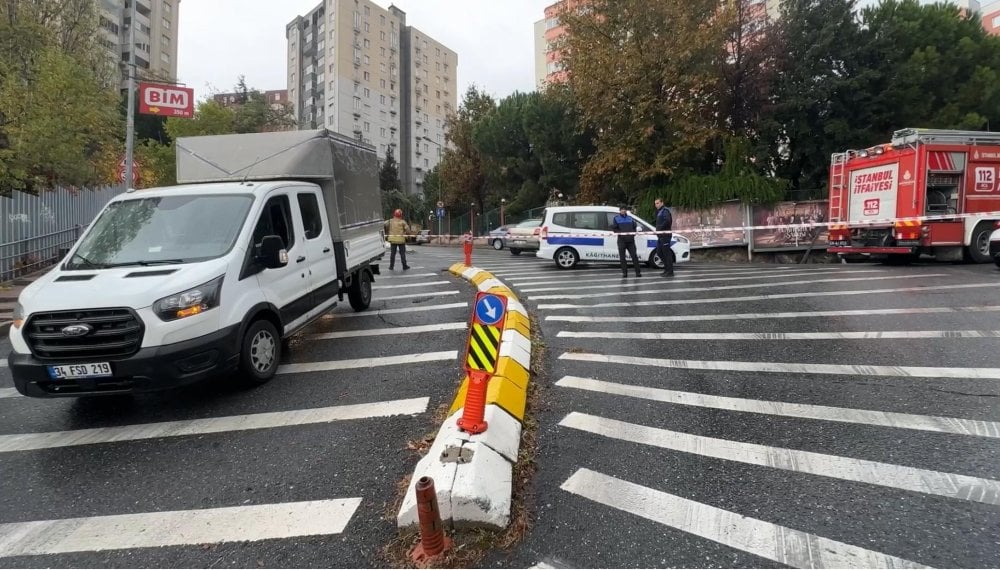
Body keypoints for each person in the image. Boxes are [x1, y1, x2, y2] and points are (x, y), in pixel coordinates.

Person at [612, 205, 642, 278]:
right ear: (620, 211)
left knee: (634, 256)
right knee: (622, 258)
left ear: (626, 210)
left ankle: (638, 273)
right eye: (622, 209)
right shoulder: (616, 218)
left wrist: (632, 235)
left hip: (630, 241)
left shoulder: (630, 218)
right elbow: (615, 229)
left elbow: (635, 227)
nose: (623, 210)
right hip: (621, 241)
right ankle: (624, 273)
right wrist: (622, 235)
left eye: (624, 209)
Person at [654, 197, 674, 277]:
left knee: (666, 254)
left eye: (658, 203)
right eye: (655, 203)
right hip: (660, 236)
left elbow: (668, 221)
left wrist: (660, 228)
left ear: (662, 203)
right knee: (659, 252)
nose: (656, 205)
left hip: (665, 235)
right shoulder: (659, 212)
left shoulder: (665, 211)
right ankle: (666, 269)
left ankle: (670, 271)